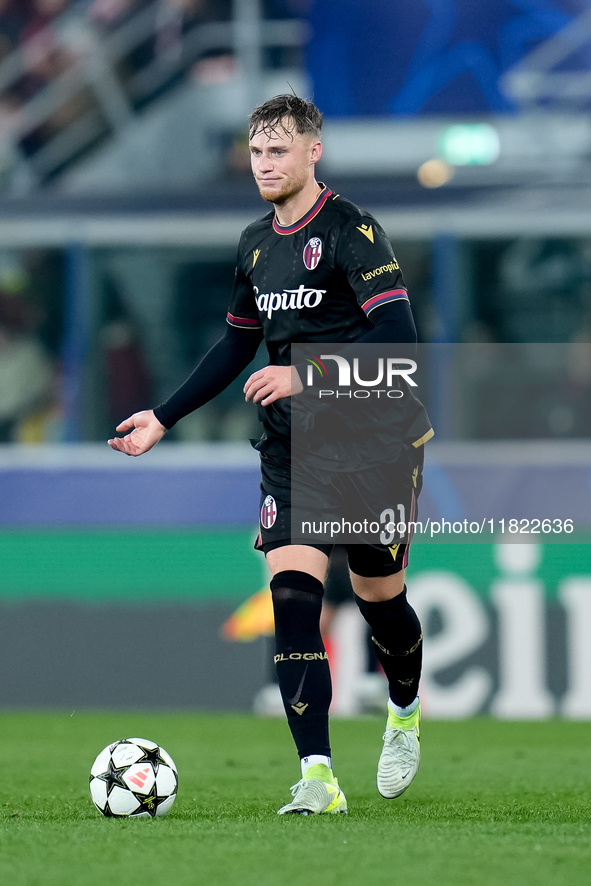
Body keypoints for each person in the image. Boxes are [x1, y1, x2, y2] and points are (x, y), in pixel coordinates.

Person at [109, 94, 432, 815]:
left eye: (278, 151)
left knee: (382, 601)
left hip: (372, 442)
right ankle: (317, 777)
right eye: (256, 152)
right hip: (293, 450)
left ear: (312, 151)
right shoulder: (254, 242)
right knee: (293, 602)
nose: (264, 164)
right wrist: (163, 417)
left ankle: (404, 711)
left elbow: (399, 336)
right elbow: (234, 343)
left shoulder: (352, 231)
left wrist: (304, 373)